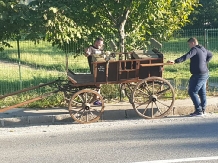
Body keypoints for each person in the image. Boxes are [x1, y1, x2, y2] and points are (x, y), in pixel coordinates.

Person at [167, 37, 213, 116]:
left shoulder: (194, 49)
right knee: (202, 92)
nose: (189, 46)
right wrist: (204, 62)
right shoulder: (203, 49)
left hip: (199, 75)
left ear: (193, 43)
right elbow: (211, 55)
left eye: (189, 44)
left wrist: (175, 61)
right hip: (204, 73)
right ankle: (203, 109)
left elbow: (186, 56)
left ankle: (199, 111)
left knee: (192, 92)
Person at [84, 37, 104, 106]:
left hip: (101, 69)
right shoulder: (91, 48)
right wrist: (87, 53)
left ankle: (96, 98)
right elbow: (87, 54)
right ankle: (96, 99)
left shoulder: (100, 49)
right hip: (94, 69)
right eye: (99, 44)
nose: (100, 45)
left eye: (101, 44)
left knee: (99, 84)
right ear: (96, 42)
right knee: (98, 83)